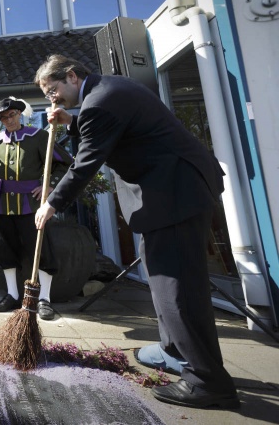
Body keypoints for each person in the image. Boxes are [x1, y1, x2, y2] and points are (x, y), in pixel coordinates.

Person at [33, 54, 238, 409]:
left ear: (70, 75)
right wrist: (71, 121)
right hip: (172, 194)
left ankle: (208, 382)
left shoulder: (99, 102)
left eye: (53, 91)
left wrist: (52, 202)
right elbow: (114, 126)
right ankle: (172, 350)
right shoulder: (108, 90)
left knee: (178, 290)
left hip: (175, 196)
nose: (53, 100)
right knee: (160, 279)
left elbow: (86, 162)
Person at [0, 97, 73, 319]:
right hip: (1, 205)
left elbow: (66, 163)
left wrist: (49, 185)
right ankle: (13, 295)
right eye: (4, 117)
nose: (8, 120)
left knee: (41, 251)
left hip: (32, 205)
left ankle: (44, 300)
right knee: (4, 251)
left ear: (19, 114)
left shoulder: (39, 136)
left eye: (11, 115)